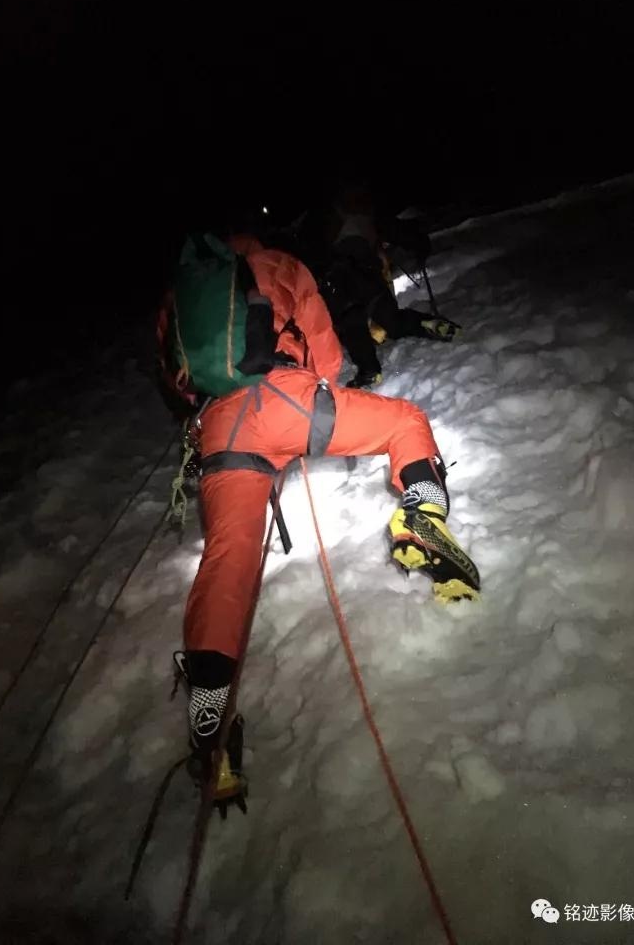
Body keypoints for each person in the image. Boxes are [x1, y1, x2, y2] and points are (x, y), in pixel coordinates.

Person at [166, 235, 480, 811]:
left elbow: (180, 378)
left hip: (221, 426)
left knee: (230, 556)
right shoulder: (283, 263)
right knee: (402, 421)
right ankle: (422, 507)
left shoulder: (184, 288)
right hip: (289, 399)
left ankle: (210, 708)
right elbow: (330, 359)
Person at [293, 182, 459, 388]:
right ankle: (426, 324)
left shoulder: (324, 216)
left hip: (339, 281)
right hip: (369, 273)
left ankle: (369, 369)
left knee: (352, 323)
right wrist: (418, 241)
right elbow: (395, 230)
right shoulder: (366, 211)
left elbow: (306, 250)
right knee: (390, 319)